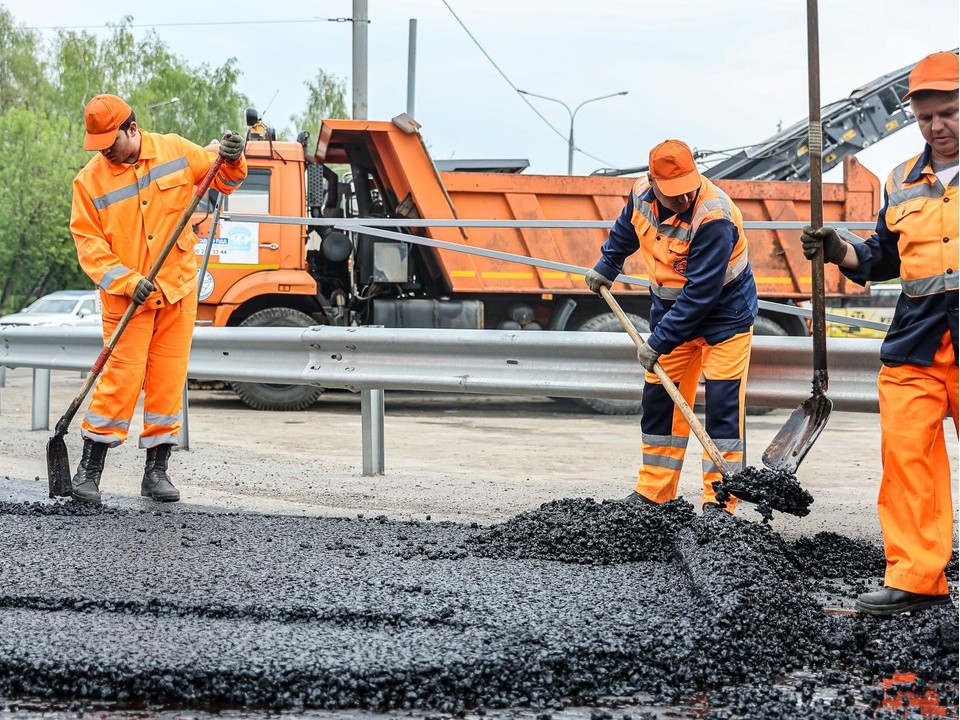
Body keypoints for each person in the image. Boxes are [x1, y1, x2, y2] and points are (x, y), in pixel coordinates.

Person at [801, 51, 958, 616]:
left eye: (949, 112)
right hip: (916, 342)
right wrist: (840, 250)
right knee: (907, 462)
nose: (937, 126)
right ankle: (916, 578)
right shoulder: (901, 180)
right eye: (925, 117)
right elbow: (882, 258)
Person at [69, 94, 248, 505]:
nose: (105, 153)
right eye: (98, 146)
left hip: (177, 290)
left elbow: (225, 180)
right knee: (120, 382)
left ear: (132, 129)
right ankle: (88, 472)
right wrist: (129, 281)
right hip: (127, 300)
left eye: (110, 143)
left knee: (167, 383)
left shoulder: (175, 151)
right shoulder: (89, 182)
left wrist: (233, 159)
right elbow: (89, 246)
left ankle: (156, 473)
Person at [585, 139, 758, 512]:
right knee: (660, 401)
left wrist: (658, 342)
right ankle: (654, 493)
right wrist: (606, 266)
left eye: (687, 191)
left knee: (723, 405)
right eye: (673, 195)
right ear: (652, 181)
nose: (682, 199)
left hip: (724, 317)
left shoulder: (714, 218)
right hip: (671, 311)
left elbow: (700, 296)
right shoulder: (640, 194)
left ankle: (720, 502)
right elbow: (626, 231)